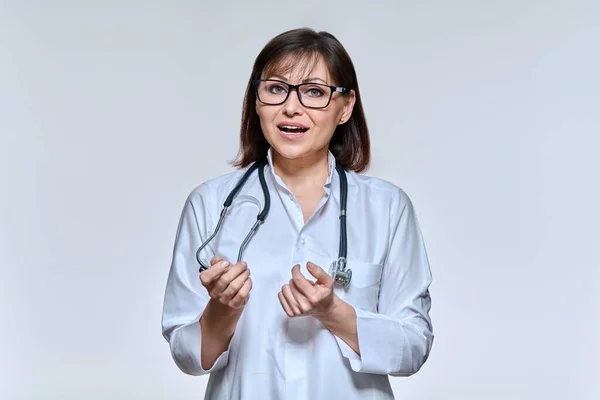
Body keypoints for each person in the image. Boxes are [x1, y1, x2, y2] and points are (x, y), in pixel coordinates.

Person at [161, 27, 434, 400]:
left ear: (346, 107)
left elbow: (414, 347)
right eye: (276, 89)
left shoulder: (387, 208)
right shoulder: (209, 204)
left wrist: (333, 311)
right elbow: (188, 356)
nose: (292, 107)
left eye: (315, 92)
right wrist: (222, 310)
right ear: (256, 101)